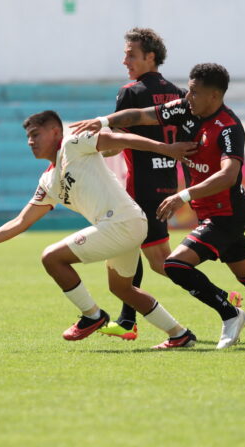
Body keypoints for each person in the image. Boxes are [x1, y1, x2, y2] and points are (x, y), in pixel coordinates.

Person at [71, 64, 245, 348]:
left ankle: (230, 313)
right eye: (189, 90)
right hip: (209, 212)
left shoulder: (229, 128)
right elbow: (141, 115)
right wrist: (104, 120)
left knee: (175, 265)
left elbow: (228, 175)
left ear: (215, 96)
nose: (188, 96)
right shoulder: (185, 109)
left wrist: (182, 196)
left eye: (195, 92)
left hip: (227, 214)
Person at [0, 110, 200, 349]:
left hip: (122, 223)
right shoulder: (48, 181)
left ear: (55, 132)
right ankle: (179, 334)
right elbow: (21, 221)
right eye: (28, 137)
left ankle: (92, 316)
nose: (30, 142)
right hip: (124, 225)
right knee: (122, 288)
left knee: (52, 258)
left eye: (35, 134)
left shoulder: (73, 143)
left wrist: (166, 149)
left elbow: (119, 139)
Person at [99, 27, 195, 342]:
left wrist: (91, 147)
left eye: (131, 54)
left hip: (140, 185)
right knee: (134, 249)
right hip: (166, 181)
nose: (125, 60)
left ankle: (224, 298)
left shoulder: (131, 92)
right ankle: (127, 320)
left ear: (149, 57)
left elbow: (115, 141)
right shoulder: (180, 93)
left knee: (158, 261)